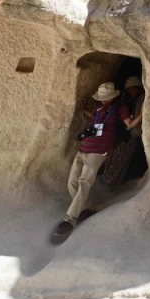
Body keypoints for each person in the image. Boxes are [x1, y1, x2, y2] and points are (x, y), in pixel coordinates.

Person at [52, 82, 132, 242]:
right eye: (101, 98)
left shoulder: (119, 107)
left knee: (84, 182)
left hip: (98, 151)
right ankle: (86, 206)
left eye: (106, 98)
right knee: (72, 182)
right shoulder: (98, 107)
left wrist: (143, 114)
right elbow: (95, 120)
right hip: (84, 148)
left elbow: (128, 123)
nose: (103, 100)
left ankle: (69, 219)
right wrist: (84, 110)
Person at [101, 75, 147, 189]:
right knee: (112, 154)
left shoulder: (141, 98)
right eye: (130, 89)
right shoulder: (125, 99)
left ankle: (112, 181)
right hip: (120, 130)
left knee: (122, 157)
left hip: (132, 132)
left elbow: (138, 115)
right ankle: (106, 178)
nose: (132, 91)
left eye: (134, 88)